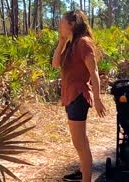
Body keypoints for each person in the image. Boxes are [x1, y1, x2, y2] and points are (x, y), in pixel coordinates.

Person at [52, 10, 107, 182]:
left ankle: (86, 179)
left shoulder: (83, 43)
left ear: (72, 24)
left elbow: (94, 71)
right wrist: (61, 42)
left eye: (62, 23)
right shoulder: (71, 44)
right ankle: (82, 171)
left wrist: (97, 99)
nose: (59, 25)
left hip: (78, 96)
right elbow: (55, 64)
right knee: (81, 140)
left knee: (79, 143)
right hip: (70, 96)